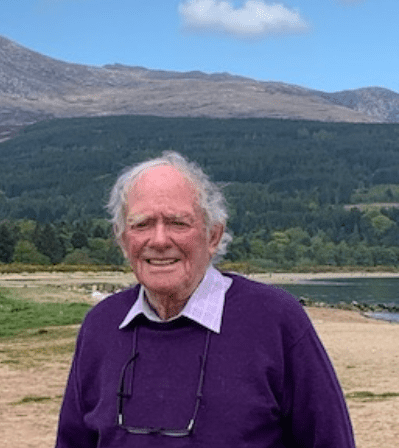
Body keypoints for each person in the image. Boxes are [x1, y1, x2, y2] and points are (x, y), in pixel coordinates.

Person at [55, 151, 355, 448]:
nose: (159, 240)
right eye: (141, 224)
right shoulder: (101, 326)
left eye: (177, 223)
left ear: (213, 235)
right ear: (123, 239)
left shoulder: (275, 320)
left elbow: (330, 440)